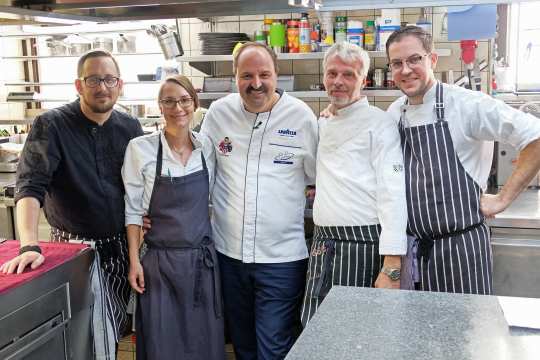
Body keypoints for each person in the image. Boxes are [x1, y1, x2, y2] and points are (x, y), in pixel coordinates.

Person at [0, 50, 143, 357]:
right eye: (93, 79)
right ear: (79, 85)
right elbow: (29, 186)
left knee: (112, 330)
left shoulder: (130, 127)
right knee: (85, 336)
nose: (102, 87)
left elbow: (139, 186)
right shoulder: (51, 125)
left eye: (109, 79)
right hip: (77, 251)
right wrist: (28, 244)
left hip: (121, 249)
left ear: (121, 85)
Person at [386, 26, 540, 294]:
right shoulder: (394, 112)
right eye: (397, 63)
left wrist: (502, 199)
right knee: (415, 335)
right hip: (415, 252)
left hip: (462, 250)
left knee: (465, 335)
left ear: (432, 60)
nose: (406, 70)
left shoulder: (467, 104)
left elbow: (535, 137)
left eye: (414, 59)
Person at [202, 42, 318, 359]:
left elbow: (319, 178)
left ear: (276, 74)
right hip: (229, 255)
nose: (256, 84)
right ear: (234, 77)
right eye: (246, 75)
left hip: (281, 260)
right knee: (243, 345)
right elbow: (202, 173)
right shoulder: (219, 113)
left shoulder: (301, 117)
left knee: (273, 347)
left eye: (264, 74)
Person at [300, 42, 407, 326]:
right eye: (332, 73)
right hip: (323, 244)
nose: (338, 82)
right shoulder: (322, 123)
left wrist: (392, 266)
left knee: (353, 336)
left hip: (363, 246)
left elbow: (393, 194)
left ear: (363, 79)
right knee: (314, 329)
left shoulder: (380, 125)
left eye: (348, 75)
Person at [122, 75, 224, 359]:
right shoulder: (140, 149)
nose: (177, 107)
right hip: (159, 266)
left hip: (201, 265)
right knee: (161, 344)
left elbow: (213, 201)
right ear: (160, 106)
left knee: (203, 345)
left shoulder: (207, 148)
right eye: (169, 101)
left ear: (195, 103)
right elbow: (132, 210)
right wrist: (134, 261)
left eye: (184, 100)